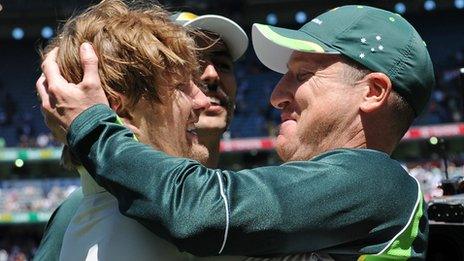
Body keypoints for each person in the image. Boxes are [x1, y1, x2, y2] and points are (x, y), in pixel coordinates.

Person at [38, 5, 433, 260]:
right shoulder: (92, 208)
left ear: (373, 92)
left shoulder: (375, 182)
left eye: (302, 75)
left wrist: (91, 126)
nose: (276, 95)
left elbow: (201, 213)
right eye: (182, 82)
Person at [33, 6, 248, 261]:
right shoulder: (98, 213)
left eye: (223, 63)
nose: (203, 93)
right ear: (118, 106)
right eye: (182, 84)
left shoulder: (107, 214)